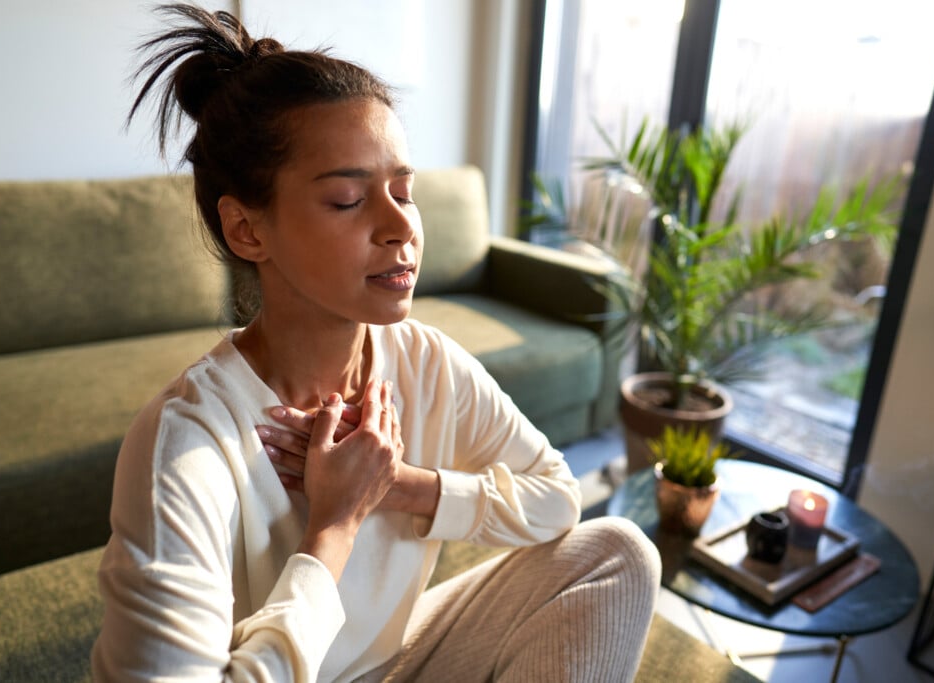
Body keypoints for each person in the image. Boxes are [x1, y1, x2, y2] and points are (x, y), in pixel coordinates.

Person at [91, 4, 661, 682]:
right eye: (348, 200)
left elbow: (558, 497)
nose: (400, 227)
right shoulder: (186, 444)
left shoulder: (425, 362)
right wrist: (333, 527)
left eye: (403, 190)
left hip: (390, 664)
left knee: (618, 552)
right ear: (247, 230)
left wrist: (399, 485)